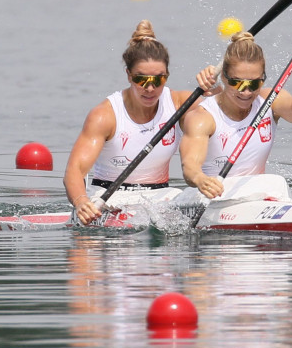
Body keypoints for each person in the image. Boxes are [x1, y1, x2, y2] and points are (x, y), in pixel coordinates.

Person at [63, 20, 210, 225]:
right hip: (109, 198)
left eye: (158, 80)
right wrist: (81, 202)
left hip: (160, 197)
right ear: (129, 75)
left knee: (202, 198)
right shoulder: (105, 115)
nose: (150, 88)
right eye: (142, 79)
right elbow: (75, 170)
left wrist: (217, 90)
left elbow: (225, 114)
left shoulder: (180, 103)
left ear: (167, 76)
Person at [179, 27, 292, 200]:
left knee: (276, 183)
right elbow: (190, 166)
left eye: (254, 84)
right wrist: (200, 179)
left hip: (257, 196)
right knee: (275, 183)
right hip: (211, 197)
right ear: (223, 77)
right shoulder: (203, 118)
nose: (246, 92)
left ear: (263, 78)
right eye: (237, 83)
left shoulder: (269, 102)